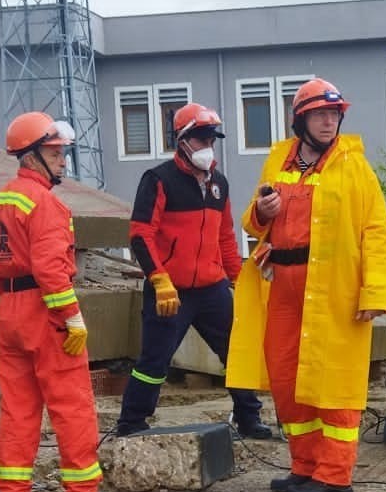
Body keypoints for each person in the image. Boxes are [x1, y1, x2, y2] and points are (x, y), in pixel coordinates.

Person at [226, 78, 386, 492]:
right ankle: (305, 467)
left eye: (334, 114)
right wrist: (260, 213)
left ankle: (335, 476)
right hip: (282, 288)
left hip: (333, 291)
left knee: (333, 381)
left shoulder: (354, 165)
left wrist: (374, 293)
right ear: (300, 119)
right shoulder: (279, 158)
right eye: (320, 114)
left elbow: (377, 231)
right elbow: (253, 222)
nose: (328, 121)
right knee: (288, 379)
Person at [0, 112, 108, 492]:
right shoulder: (46, 204)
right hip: (45, 311)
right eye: (55, 153)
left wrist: (10, 301)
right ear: (31, 155)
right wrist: (70, 316)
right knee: (71, 403)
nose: (62, 161)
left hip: (9, 313)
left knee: (17, 406)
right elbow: (52, 270)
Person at [115, 102, 270, 439]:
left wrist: (238, 279)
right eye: (200, 139)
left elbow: (226, 236)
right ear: (181, 141)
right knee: (155, 360)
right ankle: (131, 422)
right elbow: (141, 235)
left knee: (237, 352)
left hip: (212, 288)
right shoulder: (158, 180)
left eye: (211, 140)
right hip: (170, 289)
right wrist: (159, 280)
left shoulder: (220, 184)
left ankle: (248, 418)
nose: (207, 147)